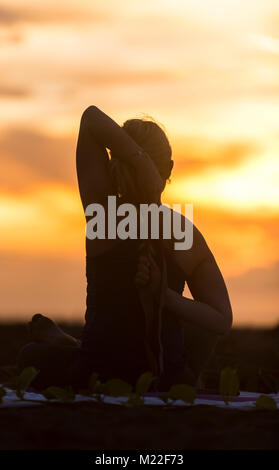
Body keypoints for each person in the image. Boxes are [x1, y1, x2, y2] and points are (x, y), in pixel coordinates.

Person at [18, 106, 233, 392]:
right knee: (200, 321)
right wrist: (167, 298)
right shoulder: (183, 233)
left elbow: (90, 118)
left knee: (29, 356)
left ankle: (68, 345)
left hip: (96, 373)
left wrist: (139, 163)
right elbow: (221, 320)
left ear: (112, 166)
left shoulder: (103, 217)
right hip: (167, 378)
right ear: (168, 169)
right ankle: (72, 344)